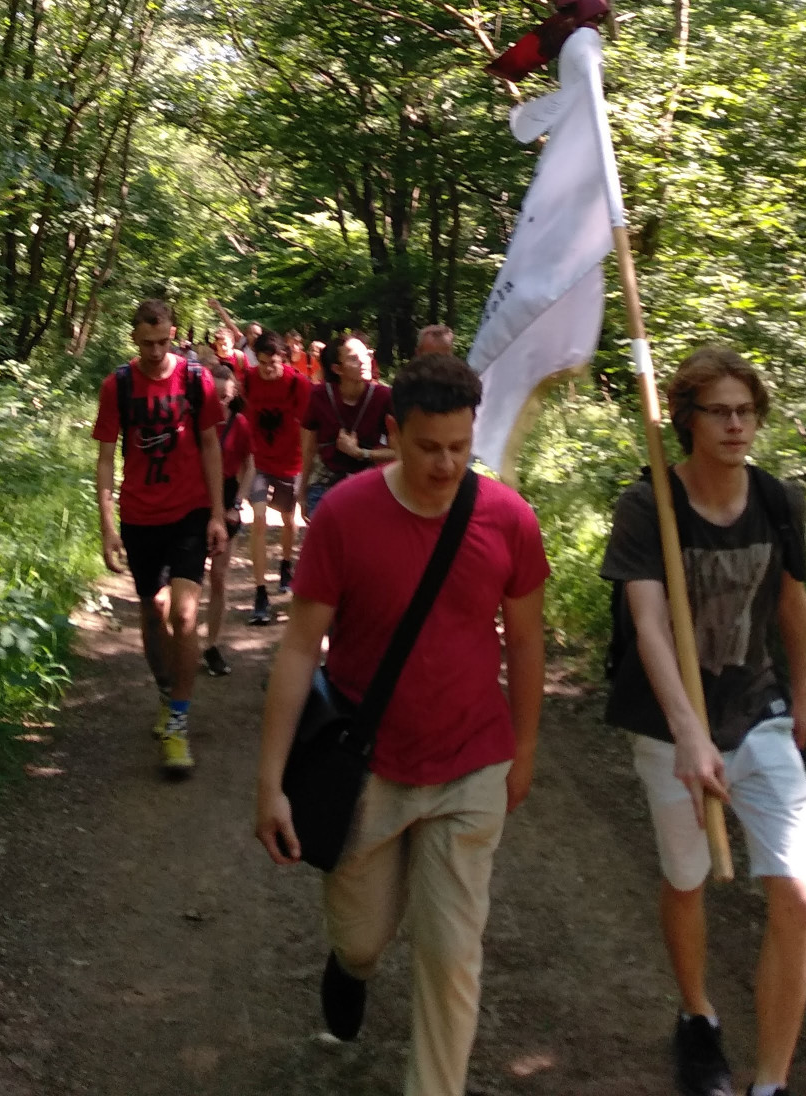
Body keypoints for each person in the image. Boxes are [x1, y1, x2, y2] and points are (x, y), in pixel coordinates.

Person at [256, 354, 549, 1096]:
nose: (446, 464)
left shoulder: (508, 519)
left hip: (472, 763)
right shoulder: (345, 516)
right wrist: (270, 782)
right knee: (362, 939)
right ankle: (349, 967)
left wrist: (523, 751)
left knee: (451, 957)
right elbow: (299, 649)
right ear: (392, 431)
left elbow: (526, 642)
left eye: (460, 446)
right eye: (427, 447)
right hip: (368, 767)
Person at [600, 346, 806, 1096]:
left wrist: (804, 691)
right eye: (719, 411)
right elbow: (649, 623)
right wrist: (688, 732)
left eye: (746, 411)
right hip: (668, 722)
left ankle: (771, 1083)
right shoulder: (649, 506)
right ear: (686, 419)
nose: (735, 425)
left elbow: (792, 599)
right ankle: (698, 1017)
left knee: (800, 895)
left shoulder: (777, 501)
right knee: (687, 875)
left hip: (757, 710)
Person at [93, 298, 228, 776]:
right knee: (154, 610)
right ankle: (166, 692)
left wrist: (217, 514)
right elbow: (105, 459)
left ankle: (178, 723)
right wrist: (108, 526)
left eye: (162, 342)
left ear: (173, 334)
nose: (154, 352)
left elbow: (210, 444)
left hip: (189, 512)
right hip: (139, 516)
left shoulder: (196, 379)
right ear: (134, 336)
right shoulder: (118, 385)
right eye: (146, 342)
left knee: (185, 616)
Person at [241, 330, 312, 624]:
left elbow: (308, 429)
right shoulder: (248, 380)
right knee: (258, 519)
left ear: (284, 358)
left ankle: (285, 564)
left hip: (290, 463)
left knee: (288, 519)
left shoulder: (297, 384)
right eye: (263, 362)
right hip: (259, 462)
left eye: (274, 363)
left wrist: (307, 469)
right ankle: (260, 593)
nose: (268, 369)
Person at [299, 332, 393, 518]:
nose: (364, 361)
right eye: (353, 358)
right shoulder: (320, 395)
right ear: (337, 369)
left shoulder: (384, 397)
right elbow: (309, 448)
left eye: (366, 354)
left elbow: (401, 452)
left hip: (367, 485)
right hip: (324, 484)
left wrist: (360, 453)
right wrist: (302, 492)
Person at [202, 362, 253, 678]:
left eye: (225, 397)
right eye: (215, 396)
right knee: (190, 576)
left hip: (227, 498)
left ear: (233, 396)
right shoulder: (195, 420)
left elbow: (250, 466)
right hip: (196, 499)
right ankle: (182, 637)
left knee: (218, 577)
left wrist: (237, 504)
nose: (220, 402)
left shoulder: (241, 424)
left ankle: (211, 645)